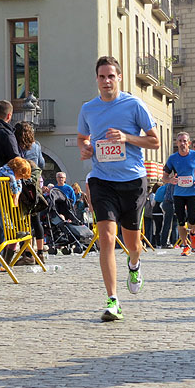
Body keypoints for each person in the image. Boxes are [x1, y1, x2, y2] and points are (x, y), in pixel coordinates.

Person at [77, 56, 159, 322]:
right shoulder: (88, 109)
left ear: (119, 78)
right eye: (102, 77)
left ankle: (134, 264)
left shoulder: (133, 104)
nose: (106, 81)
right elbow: (82, 138)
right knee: (106, 238)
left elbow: (154, 141)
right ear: (96, 79)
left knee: (133, 243)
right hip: (101, 180)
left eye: (111, 76)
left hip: (132, 181)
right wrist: (85, 148)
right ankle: (112, 300)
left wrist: (126, 137)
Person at [162, 132, 195, 256]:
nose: (182, 143)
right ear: (176, 143)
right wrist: (170, 180)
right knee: (181, 221)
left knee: (192, 220)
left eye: (185, 141)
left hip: (192, 193)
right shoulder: (172, 158)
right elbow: (164, 177)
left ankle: (193, 234)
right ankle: (185, 245)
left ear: (189, 143)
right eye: (180, 141)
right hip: (178, 194)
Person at [14, 121, 45, 263]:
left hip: (22, 186)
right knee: (36, 220)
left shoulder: (16, 146)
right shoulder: (36, 146)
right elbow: (41, 163)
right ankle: (40, 253)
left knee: (23, 220)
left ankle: (27, 254)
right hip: (35, 185)